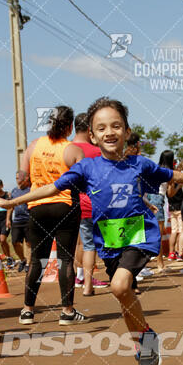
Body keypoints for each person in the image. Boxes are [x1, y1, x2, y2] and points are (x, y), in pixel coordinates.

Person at [0, 96, 183, 365]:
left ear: (127, 131)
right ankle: (145, 344)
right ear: (92, 135)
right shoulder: (86, 169)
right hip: (110, 242)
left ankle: (146, 342)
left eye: (116, 126)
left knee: (119, 286)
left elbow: (175, 174)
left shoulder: (139, 164)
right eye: (101, 128)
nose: (109, 132)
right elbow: (50, 188)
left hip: (140, 235)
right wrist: (11, 200)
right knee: (124, 298)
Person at [16, 106, 85, 325]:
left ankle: (27, 310)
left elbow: (21, 179)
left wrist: (34, 178)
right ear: (70, 126)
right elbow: (82, 182)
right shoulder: (73, 149)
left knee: (37, 259)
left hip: (37, 206)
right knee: (66, 260)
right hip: (65, 206)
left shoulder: (34, 145)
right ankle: (67, 311)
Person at [72, 112, 108, 295]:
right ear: (89, 129)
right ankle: (89, 284)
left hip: (71, 203)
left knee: (81, 244)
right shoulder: (96, 151)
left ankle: (81, 281)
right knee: (96, 245)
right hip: (94, 204)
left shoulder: (67, 148)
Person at [146, 150, 174, 272]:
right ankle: (160, 264)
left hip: (148, 199)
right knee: (158, 234)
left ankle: (154, 261)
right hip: (158, 200)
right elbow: (171, 194)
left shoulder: (155, 169)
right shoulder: (168, 173)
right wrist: (176, 185)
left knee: (152, 232)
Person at [6, 171, 31, 272]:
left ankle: (28, 264)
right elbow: (10, 206)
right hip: (17, 220)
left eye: (19, 178)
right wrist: (8, 219)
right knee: (15, 242)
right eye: (16, 178)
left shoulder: (30, 190)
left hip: (29, 220)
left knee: (29, 243)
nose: (17, 180)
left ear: (25, 179)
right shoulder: (14, 191)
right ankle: (23, 259)